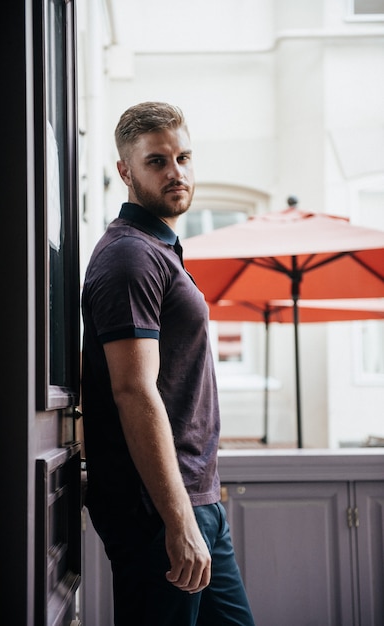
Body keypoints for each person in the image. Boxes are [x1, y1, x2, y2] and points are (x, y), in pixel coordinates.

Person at [81, 101, 255, 626]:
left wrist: (197, 502)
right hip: (158, 510)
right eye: (157, 161)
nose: (176, 173)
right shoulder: (130, 257)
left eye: (183, 157)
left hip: (193, 500)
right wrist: (177, 515)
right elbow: (134, 390)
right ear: (125, 171)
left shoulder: (159, 250)